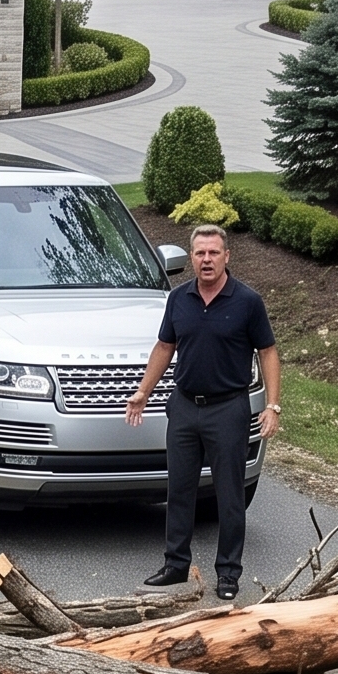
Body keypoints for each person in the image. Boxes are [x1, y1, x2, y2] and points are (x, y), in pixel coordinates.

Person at [125, 221, 282, 601]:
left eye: (214, 253)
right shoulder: (178, 299)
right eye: (200, 253)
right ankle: (175, 565)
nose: (206, 259)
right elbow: (165, 347)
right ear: (192, 258)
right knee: (179, 490)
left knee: (229, 495)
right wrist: (143, 391)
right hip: (183, 407)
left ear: (227, 257)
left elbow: (268, 353)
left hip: (228, 409)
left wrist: (273, 405)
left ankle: (228, 573)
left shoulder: (247, 301)